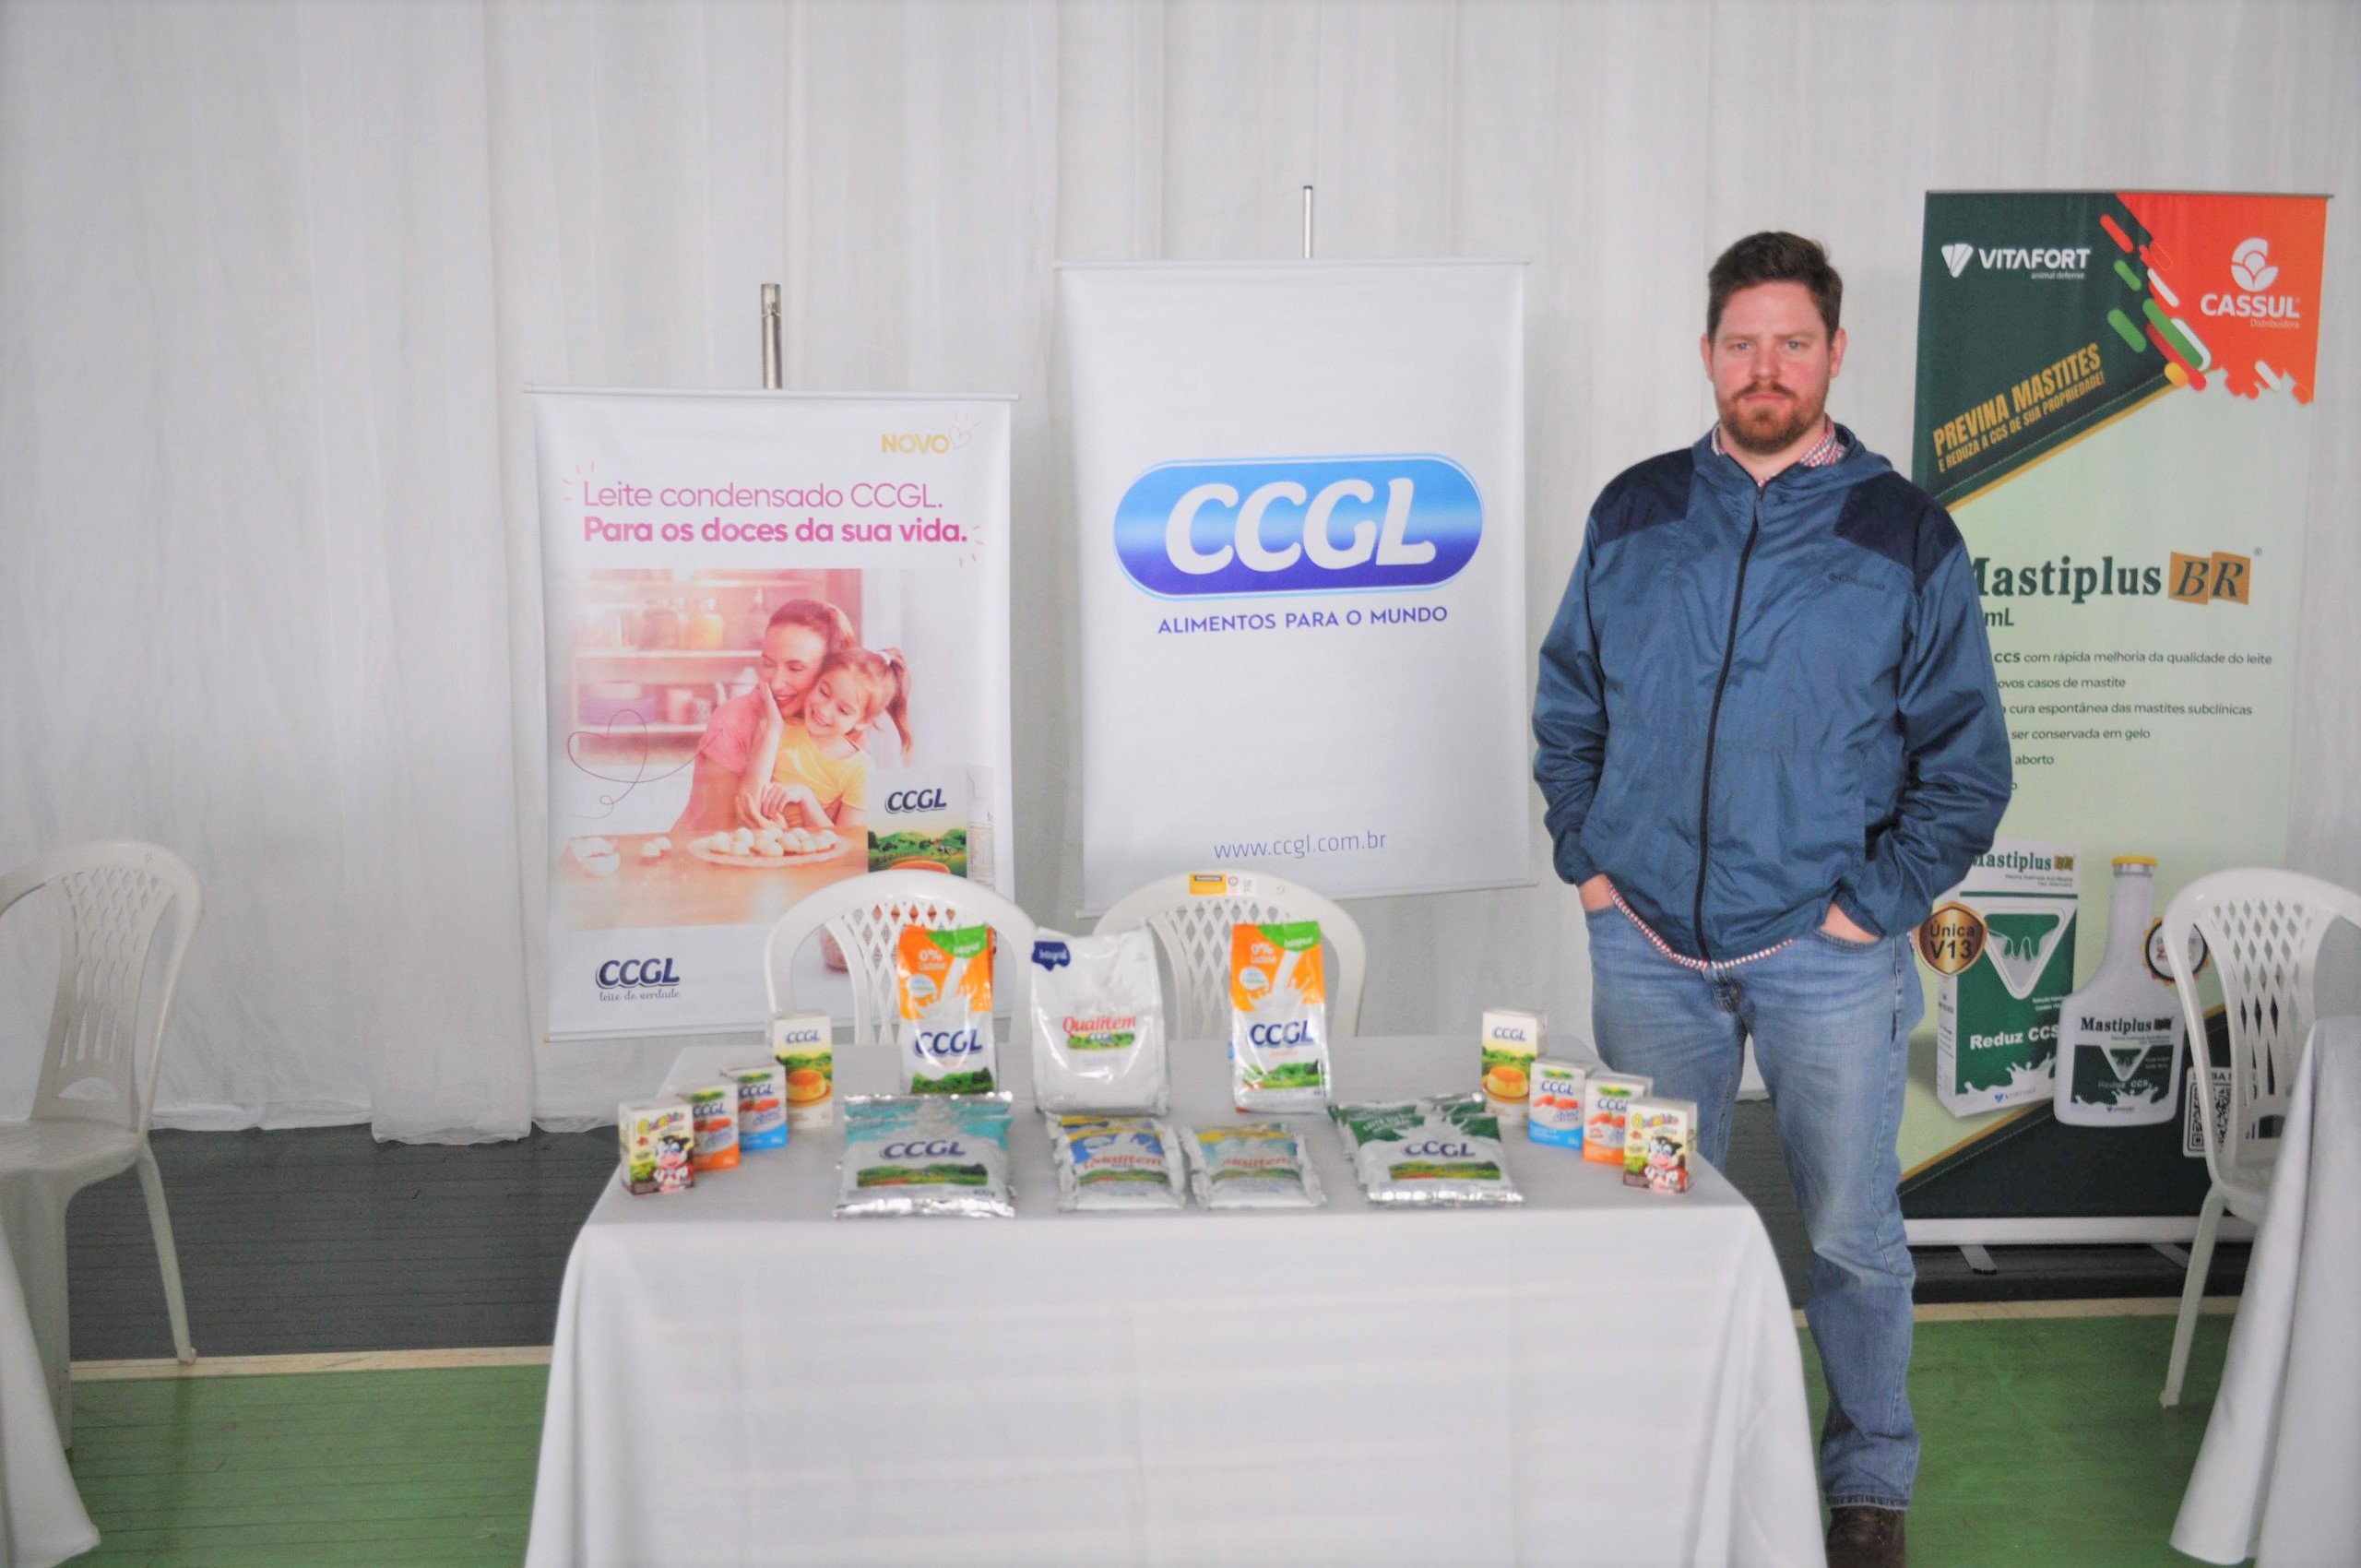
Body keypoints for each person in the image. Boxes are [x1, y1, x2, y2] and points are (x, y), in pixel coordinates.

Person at [1532, 232, 2011, 1568]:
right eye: (1741, 343)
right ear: (1706, 355)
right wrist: (1590, 859)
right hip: (1646, 947)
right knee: (1653, 1215)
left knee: (1850, 1233)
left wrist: (1870, 907)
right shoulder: (1635, 511)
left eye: (1792, 342)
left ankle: (1868, 1482)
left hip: (1826, 953)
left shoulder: (1903, 531)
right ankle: (1663, 1453)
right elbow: (1570, 702)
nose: (1765, 367)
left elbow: (1967, 766)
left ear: (1835, 353)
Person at [670, 599, 852, 836]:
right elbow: (722, 832)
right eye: (767, 664)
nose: (775, 683)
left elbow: (853, 840)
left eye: (795, 668)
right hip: (700, 851)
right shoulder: (733, 720)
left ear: (829, 671)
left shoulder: (843, 725)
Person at [742, 646, 912, 845]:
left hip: (816, 859)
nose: (824, 710)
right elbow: (746, 804)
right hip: (762, 849)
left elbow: (846, 844)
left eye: (843, 710)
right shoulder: (773, 730)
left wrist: (806, 798)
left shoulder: (860, 769)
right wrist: (773, 729)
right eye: (823, 692)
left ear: (863, 721)